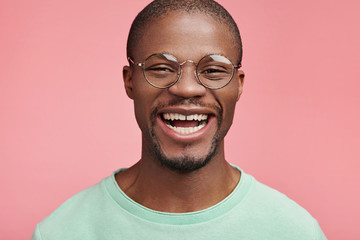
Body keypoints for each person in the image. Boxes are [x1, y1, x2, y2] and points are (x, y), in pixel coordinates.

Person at [31, 0, 327, 239]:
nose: (186, 88)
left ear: (238, 85)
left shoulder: (295, 231)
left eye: (213, 70)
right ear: (130, 81)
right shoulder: (61, 232)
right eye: (161, 68)